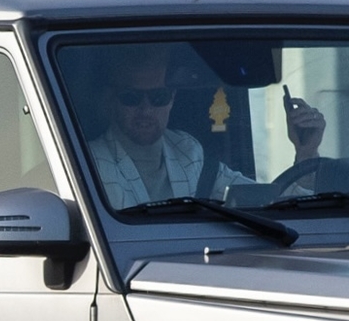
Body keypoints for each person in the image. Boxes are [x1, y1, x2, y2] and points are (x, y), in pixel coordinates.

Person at [83, 48, 323, 209]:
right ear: (110, 99)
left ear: (172, 99)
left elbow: (268, 204)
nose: (146, 110)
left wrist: (306, 154)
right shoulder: (87, 164)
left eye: (158, 97)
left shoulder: (188, 151)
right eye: (131, 97)